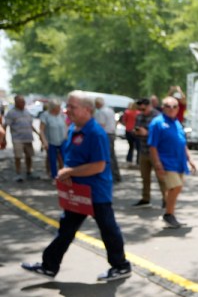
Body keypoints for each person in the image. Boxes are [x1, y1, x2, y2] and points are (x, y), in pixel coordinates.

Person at [21, 90, 132, 282]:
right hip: (78, 192)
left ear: (87, 109)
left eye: (72, 107)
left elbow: (98, 166)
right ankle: (49, 266)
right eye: (67, 106)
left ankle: (121, 266)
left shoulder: (96, 133)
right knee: (66, 230)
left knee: (108, 229)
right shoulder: (74, 129)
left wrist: (70, 172)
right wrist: (67, 174)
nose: (67, 110)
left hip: (96, 192)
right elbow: (71, 157)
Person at [148, 97, 196, 228]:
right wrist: (158, 164)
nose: (171, 109)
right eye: (168, 106)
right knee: (176, 187)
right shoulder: (157, 123)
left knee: (174, 189)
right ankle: (168, 214)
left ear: (178, 108)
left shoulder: (177, 122)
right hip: (166, 162)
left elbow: (183, 143)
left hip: (179, 162)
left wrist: (190, 159)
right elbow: (152, 146)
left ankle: (170, 213)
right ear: (163, 107)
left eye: (174, 106)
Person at [131, 98, 163, 207]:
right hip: (143, 151)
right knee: (145, 177)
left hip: (156, 152)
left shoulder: (157, 117)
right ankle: (145, 198)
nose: (141, 111)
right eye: (140, 109)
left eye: (143, 109)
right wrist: (136, 132)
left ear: (149, 106)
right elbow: (136, 130)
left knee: (161, 177)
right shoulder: (139, 116)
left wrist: (147, 133)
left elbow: (162, 134)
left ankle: (166, 199)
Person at [3, 95, 41, 182]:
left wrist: (38, 134)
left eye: (24, 102)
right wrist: (4, 139)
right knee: (18, 156)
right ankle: (18, 173)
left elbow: (30, 125)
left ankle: (29, 172)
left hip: (28, 138)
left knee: (29, 155)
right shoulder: (11, 113)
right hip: (17, 139)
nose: (23, 103)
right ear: (16, 103)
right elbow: (5, 126)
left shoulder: (26, 112)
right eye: (21, 102)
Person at [39, 99, 68, 180]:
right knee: (52, 159)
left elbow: (66, 126)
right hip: (51, 141)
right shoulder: (45, 115)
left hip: (62, 140)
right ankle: (54, 176)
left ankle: (65, 175)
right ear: (52, 108)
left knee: (65, 158)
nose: (59, 108)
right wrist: (44, 141)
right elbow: (41, 130)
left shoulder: (61, 115)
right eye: (58, 107)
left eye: (59, 107)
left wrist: (67, 136)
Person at [94, 97, 121, 183]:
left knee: (108, 156)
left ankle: (112, 176)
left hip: (106, 134)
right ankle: (116, 175)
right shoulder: (110, 110)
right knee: (112, 155)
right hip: (111, 133)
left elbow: (101, 125)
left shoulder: (101, 112)